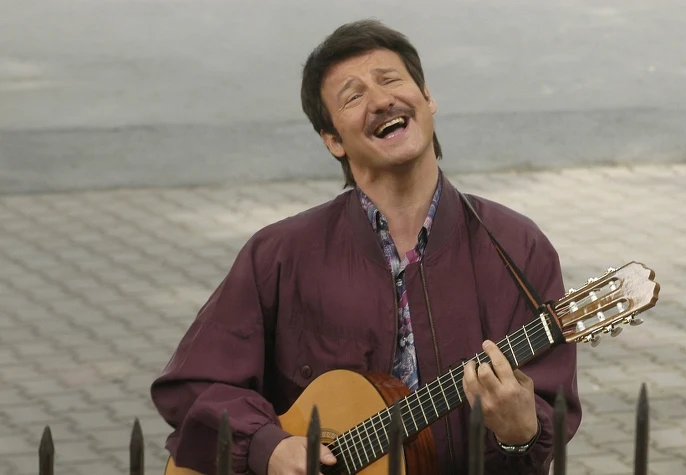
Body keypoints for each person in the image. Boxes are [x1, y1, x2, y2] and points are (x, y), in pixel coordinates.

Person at [150, 19, 582, 475]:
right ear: (333, 140)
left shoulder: (516, 248)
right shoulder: (279, 254)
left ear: (427, 98)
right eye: (353, 97)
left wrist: (520, 434)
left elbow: (545, 421)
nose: (380, 100)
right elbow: (192, 386)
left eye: (390, 80)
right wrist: (267, 446)